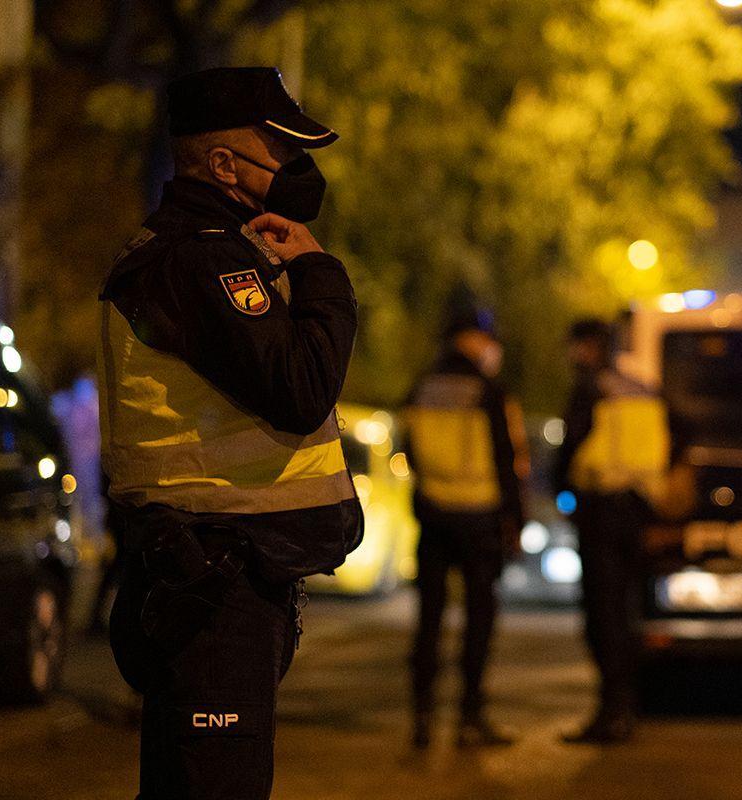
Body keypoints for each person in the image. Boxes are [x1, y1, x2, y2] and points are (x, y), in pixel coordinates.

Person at [100, 66, 363, 800]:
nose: (294, 170)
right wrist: (319, 272)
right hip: (214, 579)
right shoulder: (202, 259)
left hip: (215, 571)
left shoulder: (210, 251)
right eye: (277, 151)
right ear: (222, 164)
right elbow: (300, 389)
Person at [402, 300, 528, 749]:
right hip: (480, 517)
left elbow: (409, 452)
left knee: (429, 619)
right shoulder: (488, 390)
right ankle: (470, 718)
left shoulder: (421, 387)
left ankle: (421, 718)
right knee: (478, 619)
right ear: (471, 339)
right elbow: (504, 459)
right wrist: (515, 518)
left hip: (434, 515)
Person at [555, 317, 671, 744]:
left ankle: (611, 712)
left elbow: (570, 449)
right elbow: (679, 433)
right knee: (627, 610)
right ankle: (628, 707)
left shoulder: (591, 389)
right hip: (640, 511)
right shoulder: (644, 388)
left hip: (601, 510)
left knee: (602, 615)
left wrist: (561, 493)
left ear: (589, 347)